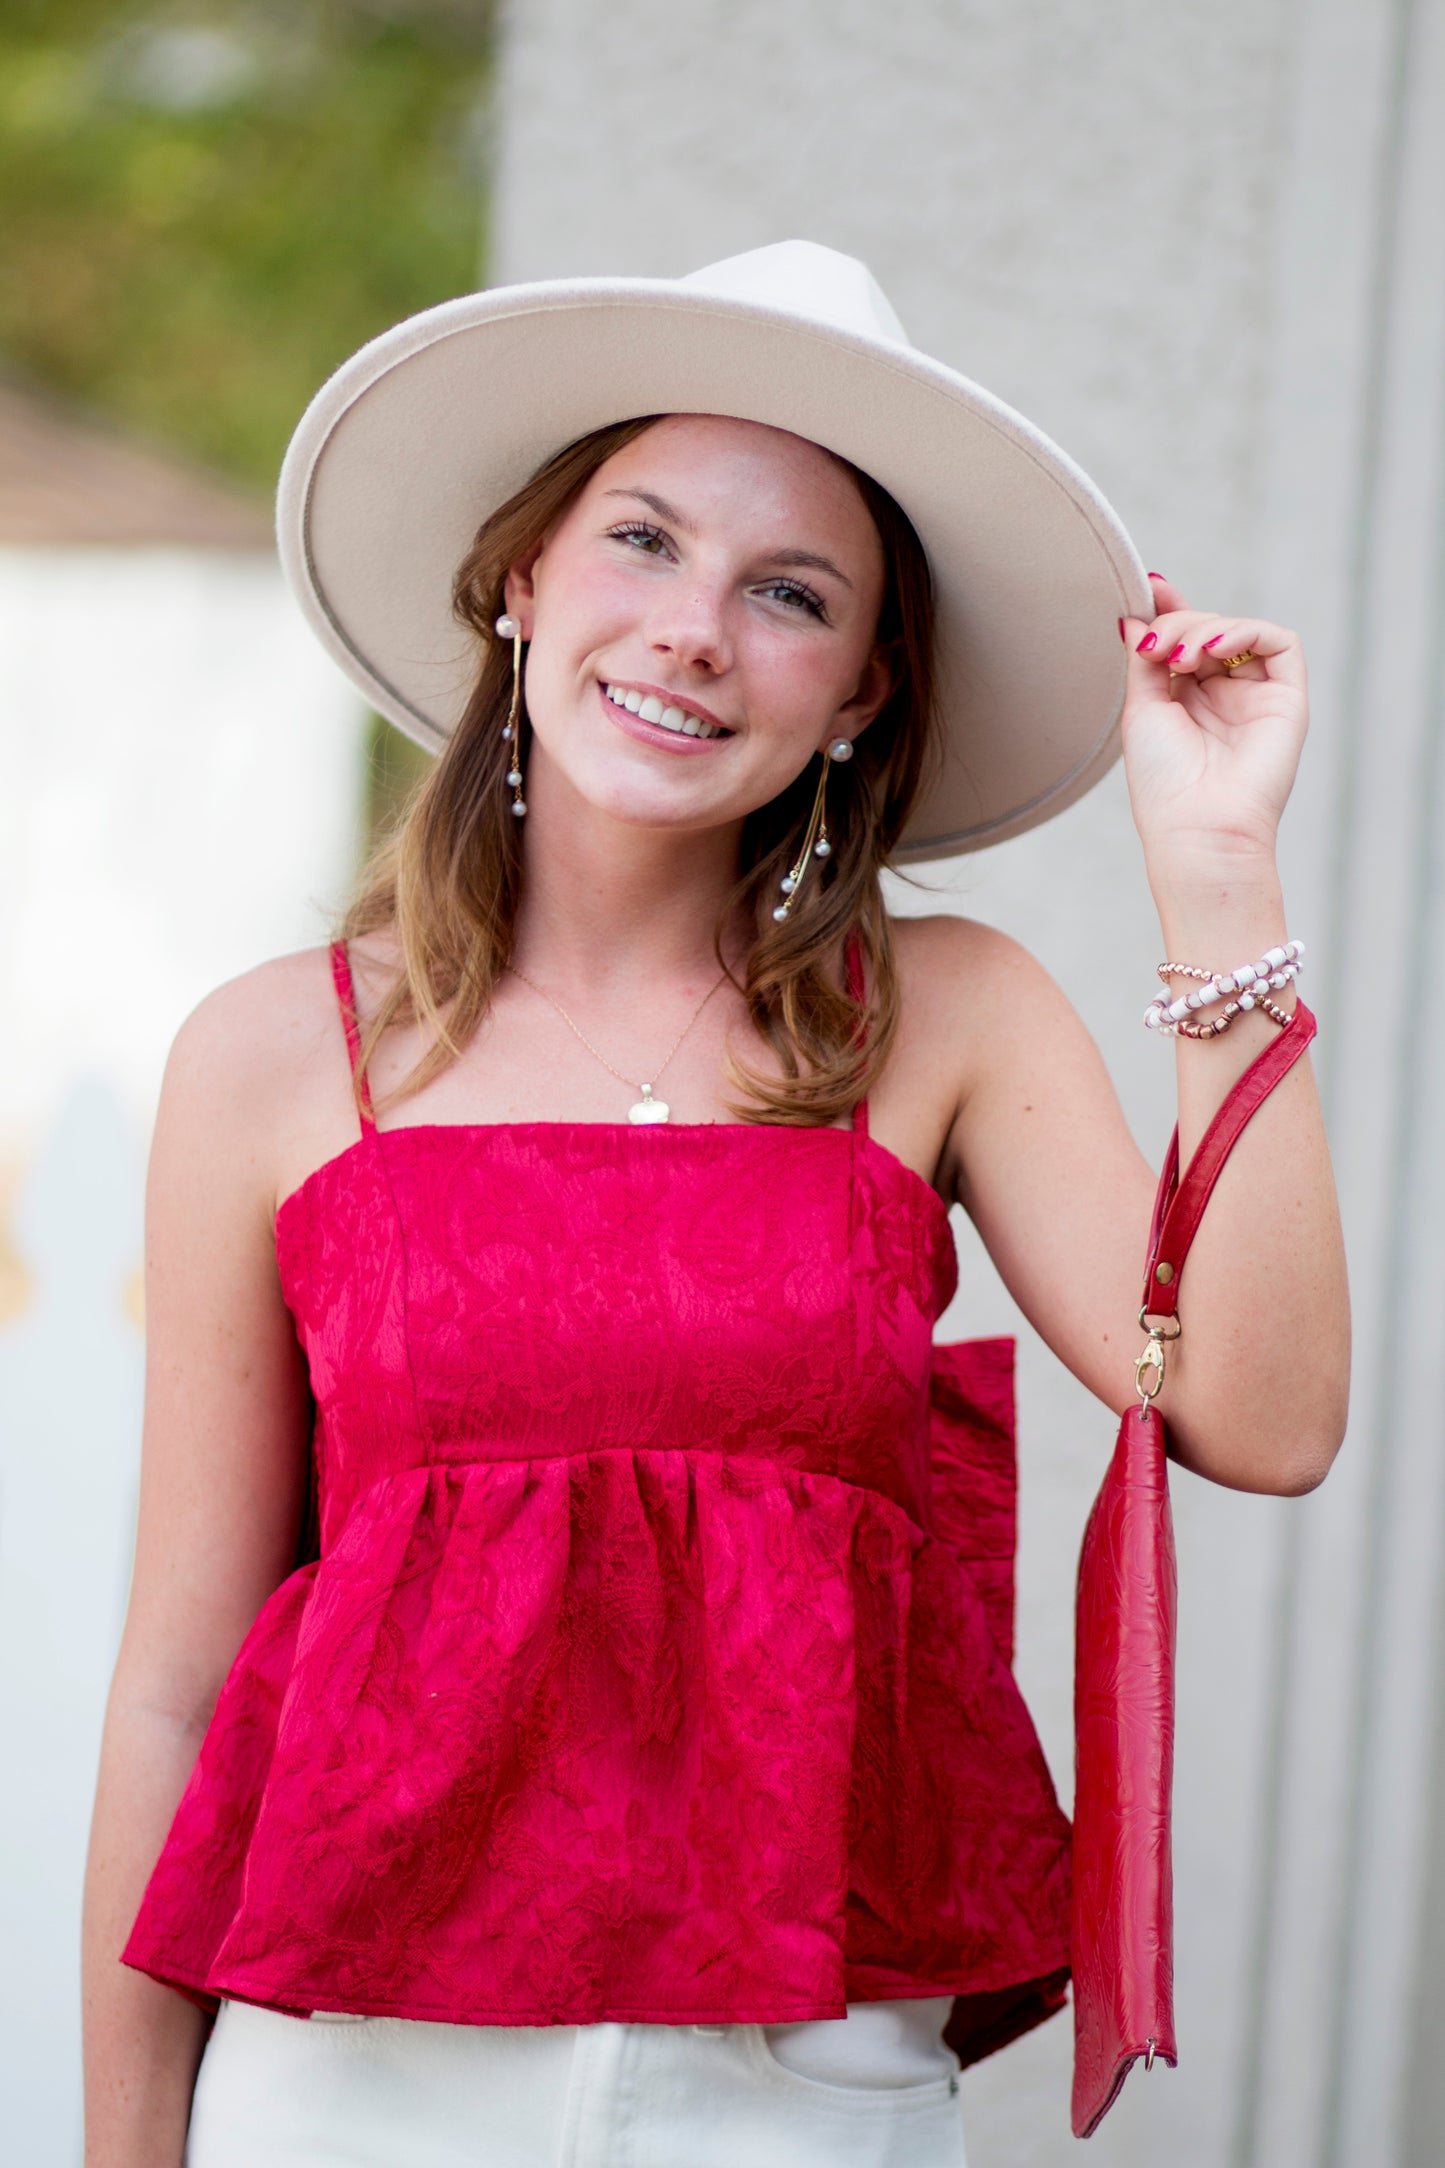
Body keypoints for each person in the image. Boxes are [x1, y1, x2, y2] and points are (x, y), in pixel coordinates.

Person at [80, 242, 1349, 2168]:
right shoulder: (273, 1057)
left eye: (788, 595)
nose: (694, 631)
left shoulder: (949, 1013)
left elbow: (1258, 1413)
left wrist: (1219, 870)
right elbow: (178, 1685)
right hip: (353, 2079)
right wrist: (124, 2149)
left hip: (809, 2085)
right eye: (643, 541)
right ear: (523, 581)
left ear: (856, 694)